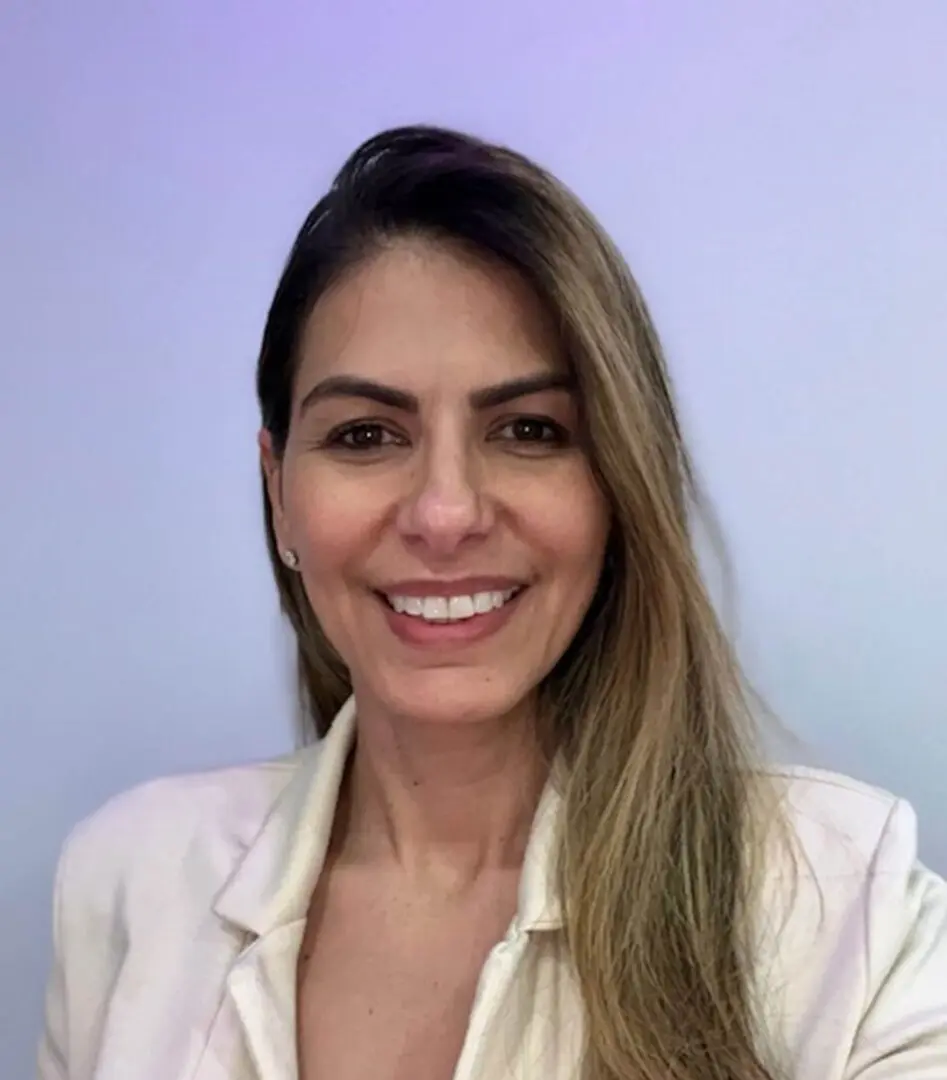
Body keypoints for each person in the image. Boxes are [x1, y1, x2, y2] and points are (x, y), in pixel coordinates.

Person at [37, 124, 947, 1080]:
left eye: (527, 429)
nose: (444, 513)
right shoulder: (131, 879)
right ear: (279, 495)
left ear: (619, 485)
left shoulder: (845, 903)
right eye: (363, 436)